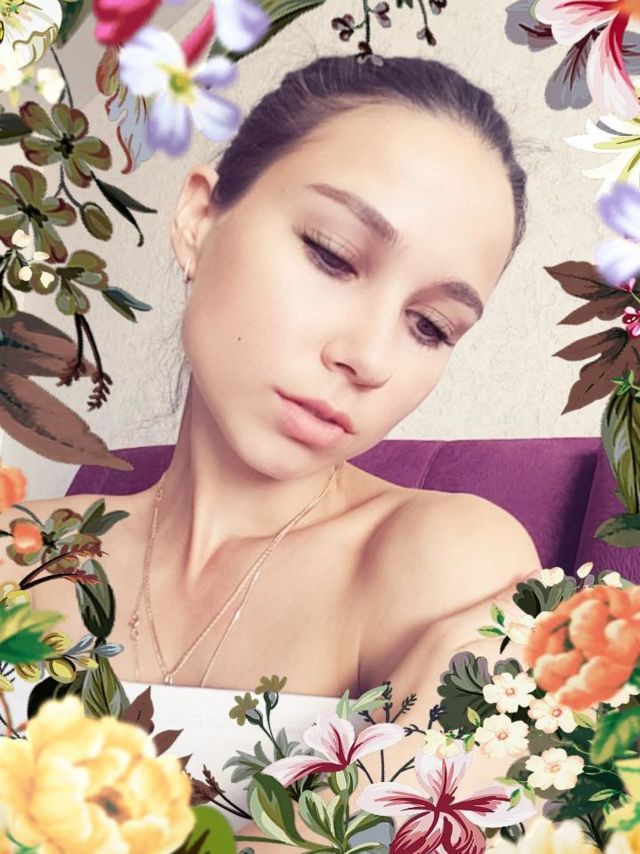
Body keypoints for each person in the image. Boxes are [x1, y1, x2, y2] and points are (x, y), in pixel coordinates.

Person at [2, 53, 542, 844]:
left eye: (431, 326)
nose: (369, 357)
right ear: (199, 220)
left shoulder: (444, 560)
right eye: (331, 253)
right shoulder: (22, 552)